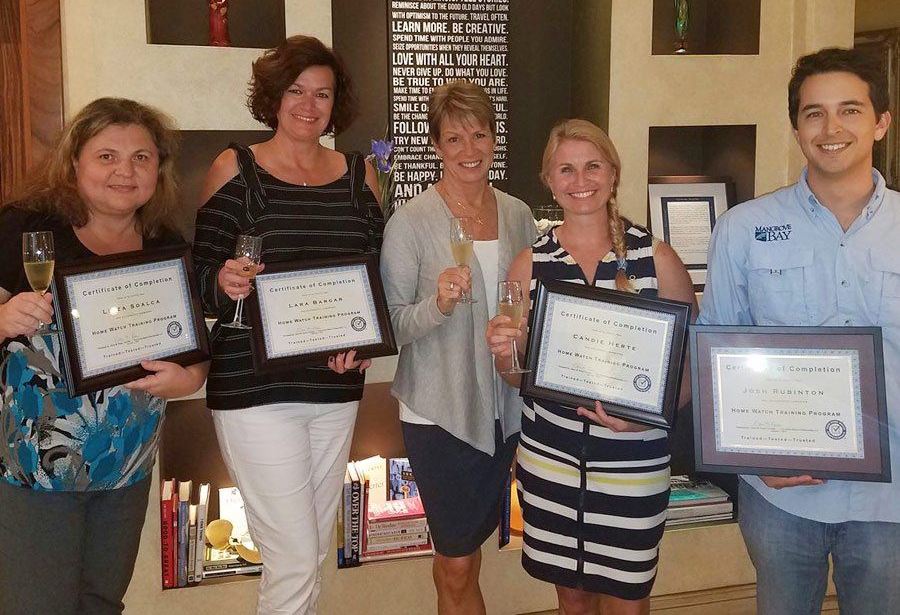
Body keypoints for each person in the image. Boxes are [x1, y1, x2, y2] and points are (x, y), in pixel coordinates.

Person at [699, 47, 899, 614]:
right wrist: (752, 458)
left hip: (892, 502)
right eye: (814, 113)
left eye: (850, 110)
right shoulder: (743, 230)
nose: (831, 128)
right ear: (796, 127)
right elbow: (719, 353)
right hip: (780, 497)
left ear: (882, 122)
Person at [192, 35, 383, 615]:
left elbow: (375, 279)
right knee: (296, 557)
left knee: (307, 555)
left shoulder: (361, 174)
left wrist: (366, 343)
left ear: (336, 104)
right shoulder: (235, 167)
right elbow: (199, 276)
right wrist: (223, 283)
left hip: (334, 388)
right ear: (273, 97)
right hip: (254, 390)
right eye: (296, 90)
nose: (309, 104)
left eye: (322, 94)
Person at [0, 97, 209, 614]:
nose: (125, 171)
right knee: (37, 605)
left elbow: (195, 347)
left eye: (141, 157)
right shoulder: (23, 229)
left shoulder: (164, 242)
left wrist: (188, 381)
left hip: (127, 466)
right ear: (75, 163)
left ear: (158, 169)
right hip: (36, 471)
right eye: (106, 156)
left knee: (101, 603)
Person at [487, 119, 696, 615]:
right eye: (566, 169)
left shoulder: (657, 258)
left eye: (592, 166)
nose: (580, 180)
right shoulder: (528, 265)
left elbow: (689, 371)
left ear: (612, 172)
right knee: (572, 598)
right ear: (549, 180)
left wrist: (643, 417)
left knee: (628, 597)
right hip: (551, 460)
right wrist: (503, 353)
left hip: (632, 462)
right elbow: (518, 377)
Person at [380, 80, 536, 614]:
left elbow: (528, 307)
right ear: (435, 146)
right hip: (440, 413)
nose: (470, 151)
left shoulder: (518, 215)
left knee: (472, 552)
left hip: (507, 406)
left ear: (494, 138)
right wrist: (439, 305)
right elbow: (393, 326)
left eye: (480, 135)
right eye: (454, 139)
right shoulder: (411, 222)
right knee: (456, 560)